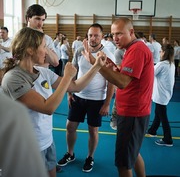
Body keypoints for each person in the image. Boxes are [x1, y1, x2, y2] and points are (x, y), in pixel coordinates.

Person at [1, 27, 106, 177]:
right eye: (44, 47)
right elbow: (48, 107)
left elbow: (76, 86)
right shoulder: (13, 78)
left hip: (46, 141)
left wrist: (96, 67)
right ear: (30, 50)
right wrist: (68, 76)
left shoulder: (43, 72)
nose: (47, 52)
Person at [82, 17, 154, 177]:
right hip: (133, 112)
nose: (115, 38)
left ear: (131, 32)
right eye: (113, 34)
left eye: (119, 34)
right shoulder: (132, 49)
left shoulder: (137, 50)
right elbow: (126, 76)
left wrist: (96, 64)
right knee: (133, 155)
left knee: (123, 163)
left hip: (133, 113)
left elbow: (122, 83)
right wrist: (110, 67)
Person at [57, 23, 115, 173]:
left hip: (96, 99)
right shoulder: (80, 50)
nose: (93, 38)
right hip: (78, 96)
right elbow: (73, 72)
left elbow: (112, 81)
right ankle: (70, 153)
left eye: (96, 35)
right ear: (87, 36)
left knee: (93, 130)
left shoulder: (108, 54)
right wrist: (69, 93)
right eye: (90, 35)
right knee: (70, 127)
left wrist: (107, 103)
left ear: (102, 37)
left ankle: (90, 157)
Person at [0, 92, 48, 177]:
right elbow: (48, 108)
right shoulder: (11, 112)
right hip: (37, 141)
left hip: (45, 137)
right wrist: (67, 78)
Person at [147, 44, 175, 147]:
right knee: (158, 113)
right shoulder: (170, 63)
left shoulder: (162, 64)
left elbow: (150, 73)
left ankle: (168, 139)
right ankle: (152, 130)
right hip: (166, 93)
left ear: (164, 53)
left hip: (161, 94)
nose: (159, 53)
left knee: (163, 116)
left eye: (161, 51)